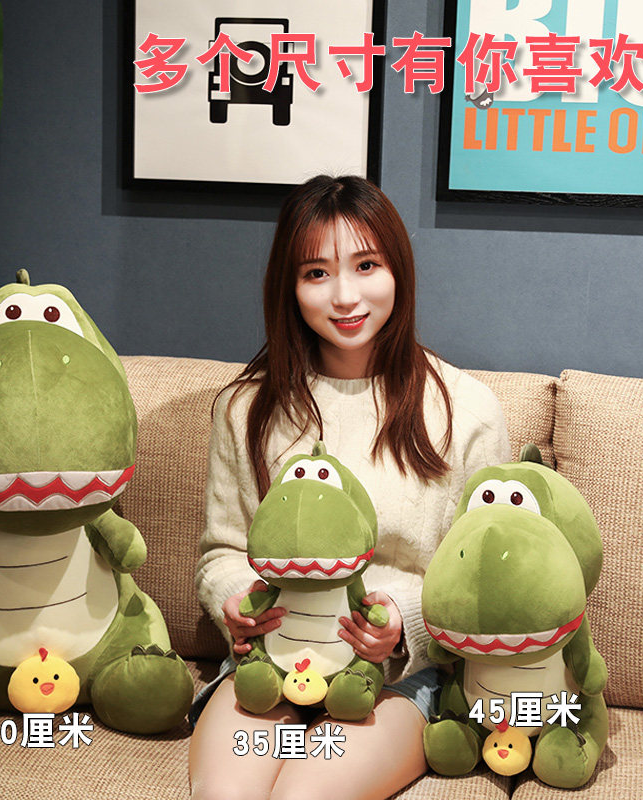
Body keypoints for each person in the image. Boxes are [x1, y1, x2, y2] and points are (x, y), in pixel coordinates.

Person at [189, 175, 511, 800]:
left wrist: (404, 626)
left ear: (398, 271)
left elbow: (477, 580)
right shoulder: (245, 408)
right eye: (316, 273)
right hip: (271, 662)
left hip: (396, 676)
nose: (344, 296)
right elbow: (223, 551)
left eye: (366, 266)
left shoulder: (467, 410)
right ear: (289, 285)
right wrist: (235, 600)